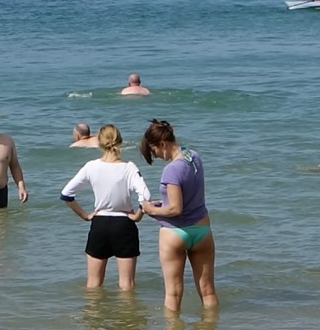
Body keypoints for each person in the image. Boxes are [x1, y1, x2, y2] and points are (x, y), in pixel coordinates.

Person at [138, 119, 218, 310]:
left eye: (154, 151)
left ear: (163, 144)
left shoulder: (171, 170)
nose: (156, 156)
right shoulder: (194, 157)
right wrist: (162, 202)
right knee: (208, 291)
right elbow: (188, 195)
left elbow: (175, 209)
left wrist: (150, 209)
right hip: (202, 230)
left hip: (176, 233)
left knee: (173, 293)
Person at [60, 124, 151, 290]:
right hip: (124, 225)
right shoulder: (129, 168)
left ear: (99, 143)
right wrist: (138, 216)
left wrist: (85, 215)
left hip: (99, 224)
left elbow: (66, 194)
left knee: (93, 285)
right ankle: (127, 316)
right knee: (126, 286)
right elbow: (145, 196)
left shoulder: (91, 166)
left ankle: (93, 316)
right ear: (120, 142)